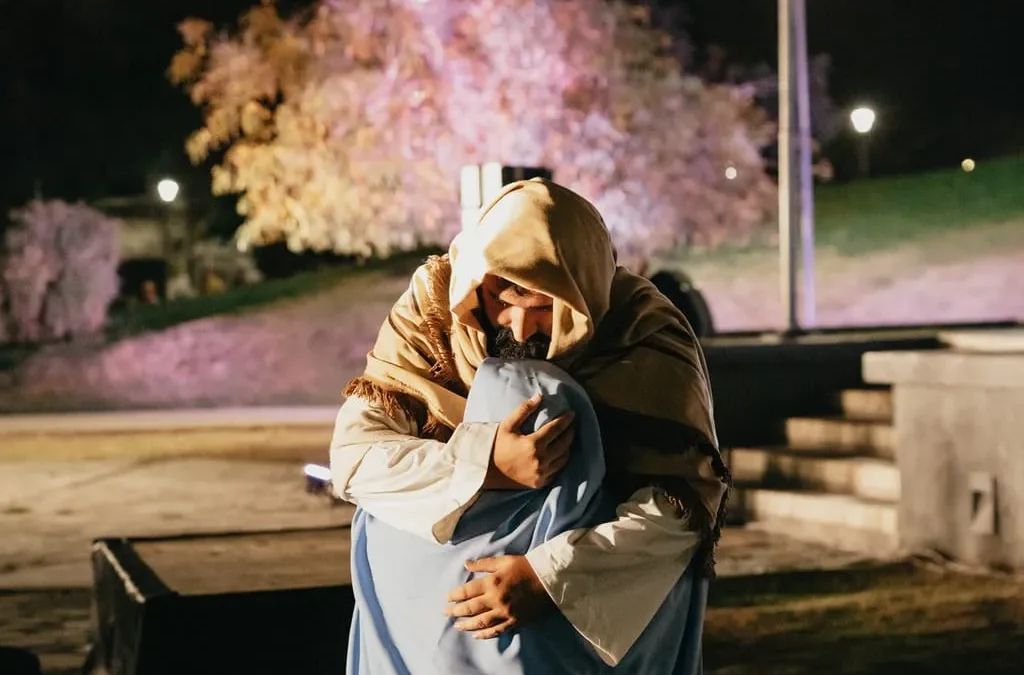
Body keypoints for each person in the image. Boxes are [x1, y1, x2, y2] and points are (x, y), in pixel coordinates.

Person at [330, 179, 730, 674]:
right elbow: (354, 457)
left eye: (542, 306)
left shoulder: (643, 330)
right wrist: (486, 463)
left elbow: (682, 510)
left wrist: (549, 578)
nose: (518, 329)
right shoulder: (434, 307)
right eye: (504, 297)